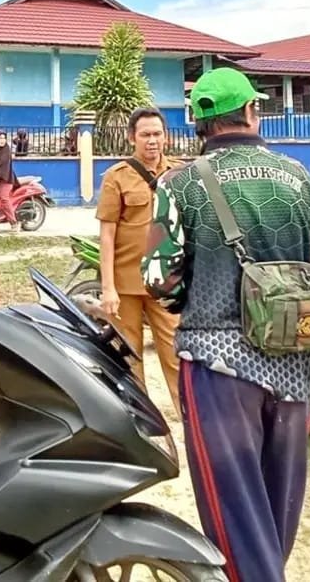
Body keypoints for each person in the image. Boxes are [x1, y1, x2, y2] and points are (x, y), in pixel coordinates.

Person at [142, 67, 310, 582]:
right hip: (295, 364)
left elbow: (159, 278)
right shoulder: (298, 176)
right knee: (277, 505)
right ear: (252, 111)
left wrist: (196, 300)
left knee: (234, 512)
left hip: (218, 365)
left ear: (198, 122)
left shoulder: (180, 184)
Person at [95, 107, 183, 416]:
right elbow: (107, 235)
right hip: (126, 284)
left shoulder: (179, 174)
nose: (152, 141)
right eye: (145, 135)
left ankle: (189, 423)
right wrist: (108, 288)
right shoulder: (116, 177)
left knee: (176, 355)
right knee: (129, 358)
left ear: (166, 137)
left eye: (157, 134)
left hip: (167, 281)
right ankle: (142, 423)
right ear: (132, 137)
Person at [0, 130, 19, 231]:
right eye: (0, 138)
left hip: (6, 179)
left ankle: (13, 223)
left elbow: (1, 165)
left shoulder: (6, 150)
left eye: (4, 138)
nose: (2, 140)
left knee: (4, 199)